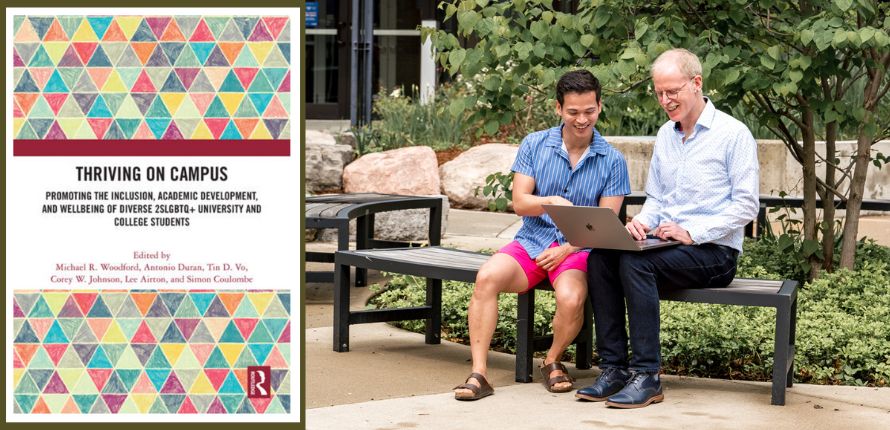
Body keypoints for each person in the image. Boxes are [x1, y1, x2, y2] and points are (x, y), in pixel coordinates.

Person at [575, 48, 760, 408]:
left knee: (635, 263)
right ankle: (614, 369)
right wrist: (641, 223)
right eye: (659, 92)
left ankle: (647, 376)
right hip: (666, 246)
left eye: (672, 91)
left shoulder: (733, 134)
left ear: (696, 83)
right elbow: (658, 198)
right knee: (600, 258)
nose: (665, 100)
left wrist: (693, 232)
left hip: (715, 252)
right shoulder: (665, 134)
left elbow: (746, 205)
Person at [454, 70, 631, 401]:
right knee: (486, 278)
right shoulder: (534, 144)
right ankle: (479, 373)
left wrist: (566, 249)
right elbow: (520, 203)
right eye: (573, 111)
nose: (582, 119)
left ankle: (551, 360)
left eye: (589, 111)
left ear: (600, 106)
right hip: (531, 242)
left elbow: (605, 225)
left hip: (579, 249)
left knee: (571, 298)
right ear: (558, 108)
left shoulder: (613, 160)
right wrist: (551, 202)